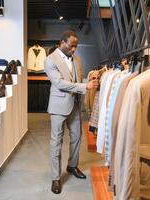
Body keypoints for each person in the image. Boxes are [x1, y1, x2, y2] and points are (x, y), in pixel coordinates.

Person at [44, 30, 99, 194]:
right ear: (62, 43)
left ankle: (72, 166)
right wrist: (85, 86)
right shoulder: (49, 60)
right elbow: (60, 83)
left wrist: (90, 79)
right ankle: (55, 178)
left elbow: (76, 81)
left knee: (77, 137)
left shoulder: (77, 60)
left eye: (76, 46)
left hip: (75, 105)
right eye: (71, 46)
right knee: (56, 142)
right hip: (58, 106)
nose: (74, 49)